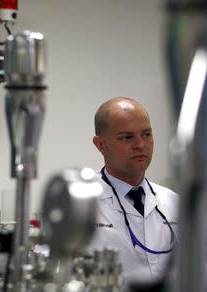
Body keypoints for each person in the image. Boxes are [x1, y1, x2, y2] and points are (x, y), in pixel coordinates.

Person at [88, 97, 179, 284]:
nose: (140, 144)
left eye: (146, 134)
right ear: (100, 145)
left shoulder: (175, 202)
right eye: (127, 137)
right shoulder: (82, 206)